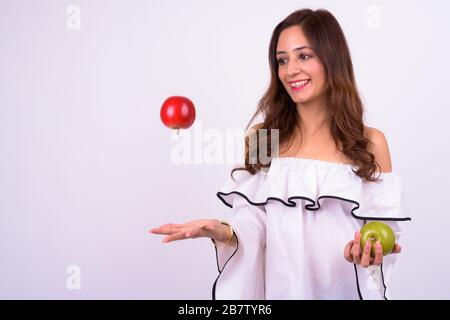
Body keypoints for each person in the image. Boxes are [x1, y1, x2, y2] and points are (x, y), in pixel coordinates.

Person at [150, 8, 411, 300]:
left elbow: (384, 233)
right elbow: (254, 221)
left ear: (332, 59)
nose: (290, 70)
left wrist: (372, 251)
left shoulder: (370, 142)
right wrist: (223, 231)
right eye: (282, 60)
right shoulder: (264, 136)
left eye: (304, 56)